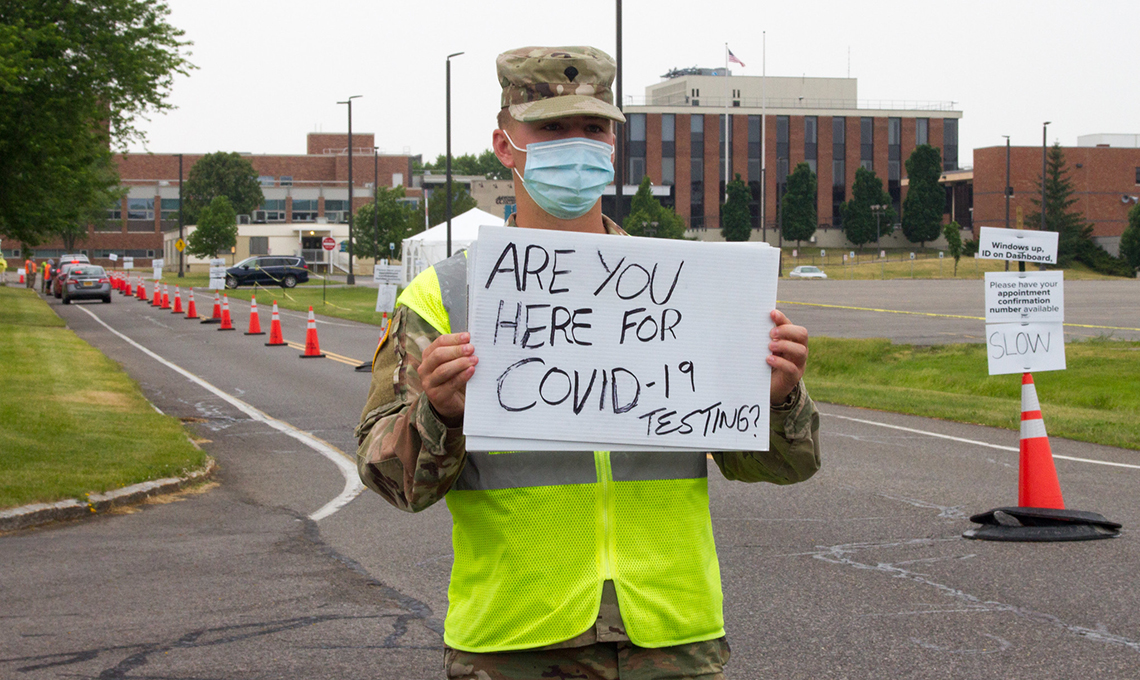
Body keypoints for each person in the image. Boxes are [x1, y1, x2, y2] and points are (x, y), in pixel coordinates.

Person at [355, 46, 821, 680]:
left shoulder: (687, 286)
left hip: (672, 635)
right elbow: (393, 484)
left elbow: (786, 466)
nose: (576, 146)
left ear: (613, 143)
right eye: (551, 128)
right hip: (515, 639)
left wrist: (774, 399)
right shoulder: (444, 297)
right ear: (504, 143)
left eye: (594, 128)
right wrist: (438, 413)